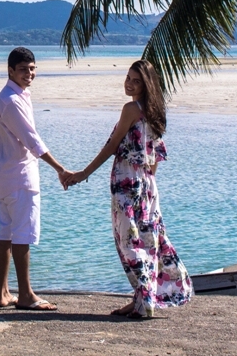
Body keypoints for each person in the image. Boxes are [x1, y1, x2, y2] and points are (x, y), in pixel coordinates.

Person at [65, 59, 192, 318]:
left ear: (146, 85)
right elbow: (155, 157)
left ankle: (145, 302)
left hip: (127, 180)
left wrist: (83, 173)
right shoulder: (156, 111)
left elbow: (112, 146)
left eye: (136, 81)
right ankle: (141, 299)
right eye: (128, 78)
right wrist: (148, 184)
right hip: (147, 183)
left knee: (128, 242)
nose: (130, 84)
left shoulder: (131, 109)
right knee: (147, 238)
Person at [0, 46, 70, 311]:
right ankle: (25, 295)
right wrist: (60, 168)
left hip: (7, 174)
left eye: (33, 68)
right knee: (21, 233)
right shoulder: (11, 101)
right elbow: (32, 140)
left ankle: (4, 292)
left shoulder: (17, 95)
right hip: (19, 177)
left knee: (7, 231)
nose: (29, 74)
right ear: (11, 70)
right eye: (24, 69)